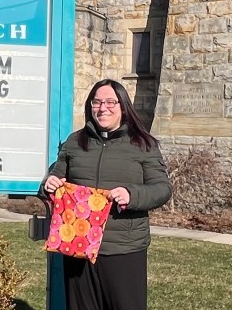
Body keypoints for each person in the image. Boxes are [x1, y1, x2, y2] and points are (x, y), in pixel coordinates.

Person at [41, 79, 172, 310]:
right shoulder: (75, 142)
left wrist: (132, 195)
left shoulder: (143, 144)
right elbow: (56, 176)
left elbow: (162, 189)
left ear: (123, 106)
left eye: (111, 102)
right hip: (78, 247)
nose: (103, 108)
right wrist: (48, 184)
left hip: (123, 248)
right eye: (97, 102)